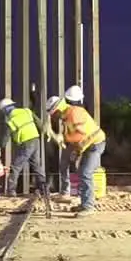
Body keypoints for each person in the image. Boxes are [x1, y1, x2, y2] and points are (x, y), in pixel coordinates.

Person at [46, 85, 106, 216]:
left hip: (95, 144)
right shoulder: (68, 115)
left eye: (53, 114)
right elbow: (73, 136)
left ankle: (88, 207)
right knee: (82, 173)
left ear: (57, 109)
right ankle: (85, 204)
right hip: (88, 145)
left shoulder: (74, 113)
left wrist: (76, 151)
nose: (54, 117)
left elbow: (83, 136)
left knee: (85, 173)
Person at [0, 97, 46, 196]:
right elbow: (41, 126)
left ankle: (11, 191)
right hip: (36, 140)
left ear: (5, 110)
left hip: (26, 143)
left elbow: (5, 138)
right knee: (36, 165)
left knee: (16, 166)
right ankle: (43, 189)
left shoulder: (11, 121)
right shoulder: (27, 111)